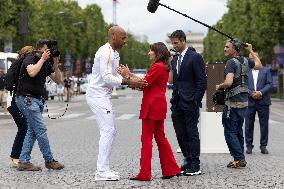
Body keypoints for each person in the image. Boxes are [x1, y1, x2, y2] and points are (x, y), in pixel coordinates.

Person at [85, 26, 147, 181]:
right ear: (113, 36)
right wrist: (128, 81)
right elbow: (107, 77)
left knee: (110, 131)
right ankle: (101, 171)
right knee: (108, 131)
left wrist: (130, 81)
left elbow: (114, 76)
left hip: (103, 95)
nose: (125, 41)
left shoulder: (115, 53)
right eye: (123, 38)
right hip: (97, 95)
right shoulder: (106, 52)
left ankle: (103, 168)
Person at [118, 42, 181, 181]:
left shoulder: (156, 66)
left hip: (151, 105)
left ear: (157, 52)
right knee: (160, 137)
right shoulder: (163, 67)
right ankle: (171, 169)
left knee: (146, 139)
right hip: (159, 104)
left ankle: (145, 173)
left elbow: (143, 84)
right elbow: (146, 81)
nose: (148, 53)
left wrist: (127, 77)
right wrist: (130, 74)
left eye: (150, 50)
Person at [16, 39, 64, 171]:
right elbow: (31, 72)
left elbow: (58, 80)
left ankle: (24, 161)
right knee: (41, 129)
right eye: (47, 49)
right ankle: (49, 160)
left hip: (37, 100)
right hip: (26, 99)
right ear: (41, 49)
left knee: (32, 131)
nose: (49, 51)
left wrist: (55, 62)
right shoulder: (30, 58)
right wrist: (42, 59)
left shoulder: (47, 62)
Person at [216, 39, 262, 168]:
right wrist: (251, 50)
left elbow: (229, 82)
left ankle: (239, 158)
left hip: (232, 103)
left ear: (234, 49)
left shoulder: (231, 62)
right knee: (238, 131)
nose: (224, 49)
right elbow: (259, 64)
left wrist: (220, 86)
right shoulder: (246, 61)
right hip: (244, 103)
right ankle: (240, 157)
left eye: (227, 47)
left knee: (229, 131)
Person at [168, 30, 207, 176]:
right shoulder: (175, 59)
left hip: (190, 102)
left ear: (183, 40)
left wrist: (196, 99)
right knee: (180, 133)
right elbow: (174, 81)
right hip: (177, 102)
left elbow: (202, 81)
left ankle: (195, 164)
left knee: (191, 133)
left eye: (176, 43)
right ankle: (187, 159)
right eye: (172, 43)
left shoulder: (195, 57)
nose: (174, 45)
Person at [8, 46, 34, 168]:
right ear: (26, 54)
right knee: (23, 128)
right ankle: (15, 157)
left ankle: (22, 157)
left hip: (19, 102)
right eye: (31, 54)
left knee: (26, 128)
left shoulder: (22, 65)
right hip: (14, 103)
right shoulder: (18, 64)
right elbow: (9, 81)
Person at [245, 54, 272, 154]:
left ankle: (263, 146)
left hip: (263, 101)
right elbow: (243, 85)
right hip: (249, 101)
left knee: (264, 125)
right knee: (248, 125)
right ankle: (249, 146)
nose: (252, 60)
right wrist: (251, 93)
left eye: (254, 58)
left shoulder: (266, 70)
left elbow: (269, 83)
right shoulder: (246, 71)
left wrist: (260, 92)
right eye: (250, 58)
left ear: (258, 58)